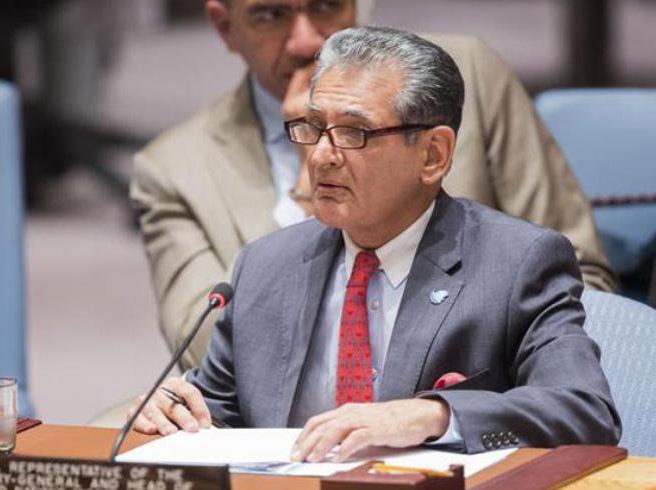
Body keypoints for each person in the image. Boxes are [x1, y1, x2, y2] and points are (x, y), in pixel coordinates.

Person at [129, 27, 620, 458]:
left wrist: (437, 416)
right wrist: (174, 410)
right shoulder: (265, 264)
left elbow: (584, 411)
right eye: (314, 128)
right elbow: (218, 413)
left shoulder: (515, 262)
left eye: (354, 132)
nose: (321, 156)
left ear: (433, 154)